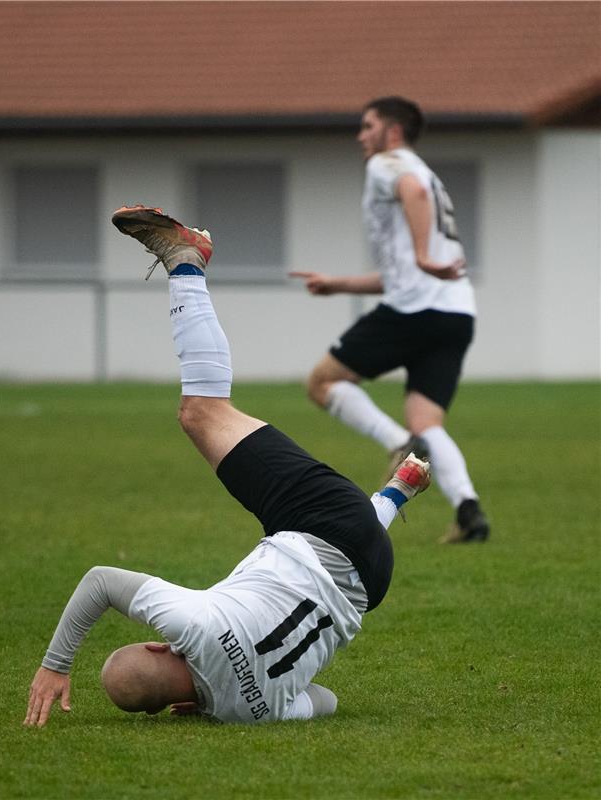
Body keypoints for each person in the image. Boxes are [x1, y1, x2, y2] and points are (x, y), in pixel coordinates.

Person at [24, 206, 431, 728]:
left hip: (371, 582)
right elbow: (100, 582)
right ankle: (187, 261)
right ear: (155, 647)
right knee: (201, 413)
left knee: (330, 568)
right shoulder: (189, 626)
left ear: (175, 707)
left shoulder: (248, 713)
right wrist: (55, 665)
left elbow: (324, 701)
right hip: (324, 526)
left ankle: (399, 491)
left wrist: (218, 693)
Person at [290, 96, 489, 543]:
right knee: (428, 421)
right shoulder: (428, 174)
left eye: (367, 126)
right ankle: (469, 512)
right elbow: (403, 273)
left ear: (392, 132)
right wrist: (338, 284)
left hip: (414, 311)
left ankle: (401, 443)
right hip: (456, 313)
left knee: (322, 382)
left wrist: (420, 257)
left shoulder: (388, 164)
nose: (361, 135)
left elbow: (411, 203)